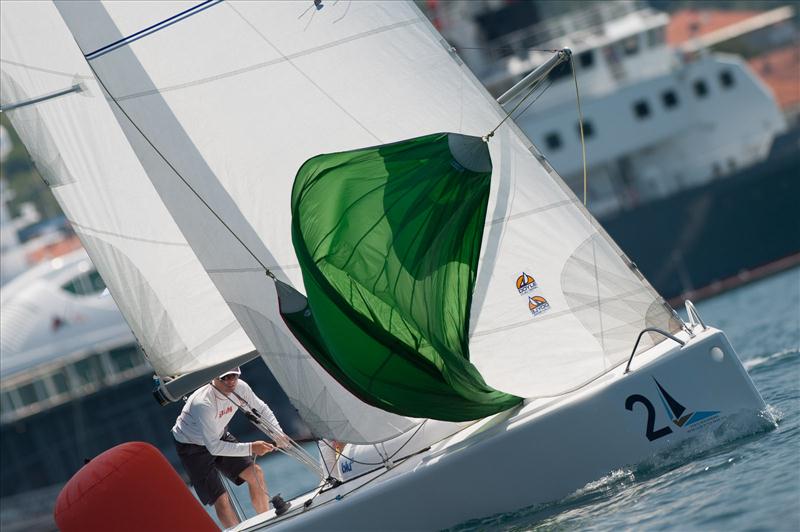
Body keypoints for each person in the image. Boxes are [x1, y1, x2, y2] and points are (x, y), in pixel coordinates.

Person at [172, 367, 285, 528]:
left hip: (218, 434)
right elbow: (214, 448)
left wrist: (278, 434)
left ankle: (266, 523)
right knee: (222, 499)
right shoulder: (202, 403)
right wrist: (252, 447)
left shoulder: (241, 388)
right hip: (191, 446)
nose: (231, 381)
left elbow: (261, 409)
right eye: (225, 377)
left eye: (234, 376)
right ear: (214, 379)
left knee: (256, 474)